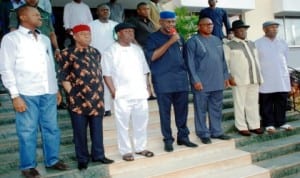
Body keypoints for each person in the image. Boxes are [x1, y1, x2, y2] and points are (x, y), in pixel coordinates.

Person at [0, 5, 68, 178]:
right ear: (23, 17)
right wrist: (15, 96)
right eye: (36, 14)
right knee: (27, 130)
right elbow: (6, 68)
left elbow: (49, 65)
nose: (41, 17)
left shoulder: (45, 39)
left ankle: (52, 160)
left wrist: (56, 89)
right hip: (26, 92)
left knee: (52, 128)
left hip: (48, 91)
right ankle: (28, 166)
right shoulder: (11, 39)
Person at [57, 24, 114, 170]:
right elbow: (63, 77)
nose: (87, 37)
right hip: (78, 99)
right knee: (80, 131)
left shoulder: (95, 52)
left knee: (97, 129)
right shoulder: (66, 53)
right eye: (83, 34)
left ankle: (99, 155)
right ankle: (82, 159)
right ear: (74, 36)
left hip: (96, 98)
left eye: (88, 34)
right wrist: (72, 95)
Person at [145, 11, 198, 152]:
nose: (171, 24)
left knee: (182, 111)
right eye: (168, 22)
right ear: (161, 22)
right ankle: (168, 139)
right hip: (163, 81)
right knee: (165, 113)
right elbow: (153, 57)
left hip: (180, 80)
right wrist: (170, 42)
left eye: (173, 22)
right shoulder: (153, 37)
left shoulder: (179, 36)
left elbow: (185, 57)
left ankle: (183, 137)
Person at [102, 22, 154, 161]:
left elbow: (145, 70)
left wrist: (148, 86)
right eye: (128, 31)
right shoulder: (110, 50)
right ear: (119, 33)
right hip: (122, 94)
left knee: (141, 122)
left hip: (139, 92)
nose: (131, 34)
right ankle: (125, 151)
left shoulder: (137, 50)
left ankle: (140, 147)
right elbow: (106, 74)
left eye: (132, 31)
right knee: (122, 124)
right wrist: (114, 92)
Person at [184, 17, 231, 144]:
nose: (210, 27)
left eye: (211, 24)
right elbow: (190, 63)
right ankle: (203, 133)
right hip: (201, 83)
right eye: (206, 25)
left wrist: (225, 76)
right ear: (199, 26)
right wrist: (195, 80)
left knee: (216, 108)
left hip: (217, 81)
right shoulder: (192, 42)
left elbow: (222, 60)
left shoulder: (217, 40)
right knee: (201, 109)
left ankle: (216, 131)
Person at [223, 20, 264, 136]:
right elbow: (225, 63)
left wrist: (260, 77)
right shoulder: (228, 45)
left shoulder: (252, 43)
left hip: (254, 78)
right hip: (239, 79)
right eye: (240, 30)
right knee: (240, 104)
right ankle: (241, 126)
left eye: (244, 29)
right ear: (234, 31)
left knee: (253, 103)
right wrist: (229, 76)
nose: (243, 32)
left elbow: (257, 61)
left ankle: (254, 125)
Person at [255, 21, 293, 134]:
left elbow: (285, 59)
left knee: (281, 102)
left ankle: (281, 122)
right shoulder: (258, 43)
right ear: (264, 29)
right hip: (266, 78)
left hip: (281, 78)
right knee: (266, 103)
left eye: (276, 27)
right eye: (272, 27)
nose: (275, 29)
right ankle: (269, 124)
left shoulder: (282, 42)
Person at [89, 4, 118, 117]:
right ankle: (106, 108)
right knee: (103, 83)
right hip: (98, 58)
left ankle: (118, 106)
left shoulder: (115, 25)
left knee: (116, 81)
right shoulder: (91, 25)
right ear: (97, 12)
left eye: (107, 10)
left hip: (114, 58)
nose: (105, 12)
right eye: (102, 10)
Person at [126, 2, 156, 100]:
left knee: (151, 72)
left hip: (152, 50)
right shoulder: (133, 21)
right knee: (142, 72)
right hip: (140, 50)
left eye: (147, 9)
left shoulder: (150, 22)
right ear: (138, 11)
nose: (146, 11)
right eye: (143, 9)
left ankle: (152, 93)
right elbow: (130, 34)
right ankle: (146, 93)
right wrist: (138, 47)